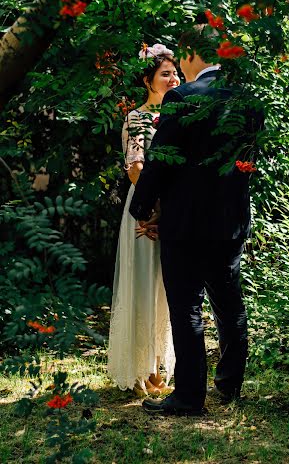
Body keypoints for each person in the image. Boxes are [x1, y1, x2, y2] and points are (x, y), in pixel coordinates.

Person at [129, 26, 263, 415]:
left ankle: (189, 397)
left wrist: (143, 209)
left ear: (189, 54)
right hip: (230, 219)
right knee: (229, 304)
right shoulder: (249, 99)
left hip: (185, 222)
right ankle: (229, 385)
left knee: (186, 306)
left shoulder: (183, 98)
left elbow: (160, 161)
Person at [107, 43, 180, 397]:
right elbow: (136, 167)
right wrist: (153, 210)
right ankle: (139, 370)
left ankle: (157, 365)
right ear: (148, 80)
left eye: (175, 73)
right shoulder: (137, 117)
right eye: (165, 74)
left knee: (165, 288)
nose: (173, 78)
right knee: (142, 283)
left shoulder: (180, 116)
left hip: (174, 210)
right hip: (146, 208)